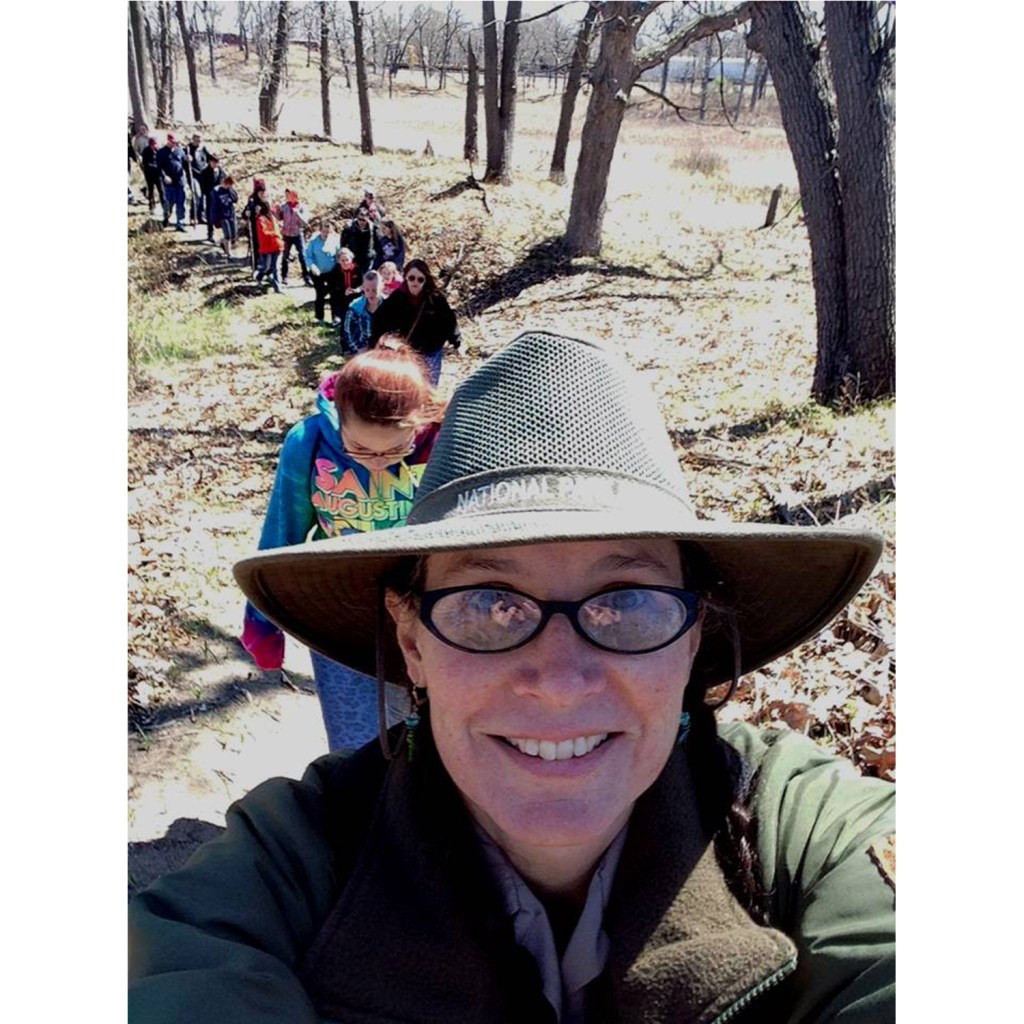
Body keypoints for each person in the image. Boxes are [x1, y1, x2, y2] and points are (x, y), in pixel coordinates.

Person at [129, 332, 894, 1023]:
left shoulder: (799, 832)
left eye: (626, 602)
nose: (558, 682)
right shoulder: (293, 859)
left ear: (693, 636)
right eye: (489, 603)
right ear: (411, 640)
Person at [238, 345, 444, 752]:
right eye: (361, 450)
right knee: (357, 741)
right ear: (339, 421)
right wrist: (263, 622)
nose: (377, 464)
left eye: (395, 451)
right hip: (339, 610)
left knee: (434, 733)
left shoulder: (443, 439)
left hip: (425, 605)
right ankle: (366, 810)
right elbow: (283, 530)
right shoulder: (308, 442)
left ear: (418, 424)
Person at [371, 257, 461, 385]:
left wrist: (456, 341)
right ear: (405, 277)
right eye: (411, 278)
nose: (415, 282)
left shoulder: (435, 298)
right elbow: (380, 321)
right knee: (409, 389)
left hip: (431, 352)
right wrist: (376, 342)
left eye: (420, 279)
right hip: (406, 352)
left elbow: (449, 321)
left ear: (426, 280)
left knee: (429, 390)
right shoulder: (396, 298)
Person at [305, 220, 343, 325]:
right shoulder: (313, 242)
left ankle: (335, 317)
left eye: (328, 232)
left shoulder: (335, 240)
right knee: (320, 294)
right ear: (320, 231)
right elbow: (308, 256)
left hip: (332, 272)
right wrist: (312, 266)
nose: (326, 234)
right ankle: (319, 317)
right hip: (317, 272)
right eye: (324, 232)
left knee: (334, 295)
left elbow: (338, 255)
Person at [277, 189, 313, 287]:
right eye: (286, 195)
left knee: (302, 256)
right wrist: (275, 211)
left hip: (298, 234)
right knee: (285, 256)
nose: (287, 197)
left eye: (289, 195)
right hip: (286, 234)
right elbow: (278, 218)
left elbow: (305, 223)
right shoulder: (284, 207)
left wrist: (297, 213)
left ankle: (307, 277)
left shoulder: (302, 207)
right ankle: (284, 277)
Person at [343, 270, 383, 355]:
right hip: (362, 349)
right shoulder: (355, 307)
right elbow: (348, 331)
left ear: (381, 288)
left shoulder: (388, 304)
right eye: (367, 290)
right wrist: (358, 349)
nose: (371, 294)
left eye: (374, 290)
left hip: (383, 350)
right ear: (363, 288)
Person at [156, 133, 187, 231]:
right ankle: (166, 217)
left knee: (180, 203)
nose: (174, 144)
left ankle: (180, 223)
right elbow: (158, 168)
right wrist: (164, 176)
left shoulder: (180, 151)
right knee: (169, 203)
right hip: (169, 183)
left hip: (180, 181)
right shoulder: (161, 152)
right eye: (172, 142)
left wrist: (189, 160)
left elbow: (185, 164)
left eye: (175, 142)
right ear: (168, 141)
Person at [254, 200, 284, 293]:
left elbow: (278, 229)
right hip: (266, 247)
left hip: (277, 245)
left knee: (276, 267)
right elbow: (264, 233)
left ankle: (277, 287)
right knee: (266, 267)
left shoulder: (273, 218)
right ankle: (259, 277)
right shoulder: (260, 219)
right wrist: (275, 233)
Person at [341, 209, 378, 277]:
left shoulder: (373, 229)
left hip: (368, 260)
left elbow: (377, 243)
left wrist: (374, 254)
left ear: (368, 219)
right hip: (354, 259)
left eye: (364, 220)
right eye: (359, 219)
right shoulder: (350, 229)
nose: (361, 222)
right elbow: (343, 244)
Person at [241, 178, 267, 275]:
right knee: (255, 248)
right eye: (260, 191)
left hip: (265, 229)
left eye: (263, 191)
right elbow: (245, 212)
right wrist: (246, 214)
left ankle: (266, 268)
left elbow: (269, 213)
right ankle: (255, 267)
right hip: (254, 228)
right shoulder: (252, 200)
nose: (261, 193)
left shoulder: (266, 201)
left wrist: (261, 211)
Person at [197, 154, 225, 243]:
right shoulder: (205, 172)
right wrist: (210, 192)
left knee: (221, 216)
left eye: (217, 162)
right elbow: (203, 185)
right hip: (210, 197)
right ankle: (210, 233)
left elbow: (226, 181)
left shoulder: (221, 171)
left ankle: (223, 236)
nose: (215, 164)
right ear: (210, 162)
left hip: (220, 198)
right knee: (210, 215)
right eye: (214, 162)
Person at [213, 175, 239, 260]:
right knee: (227, 235)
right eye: (228, 184)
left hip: (231, 214)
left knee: (234, 235)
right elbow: (214, 206)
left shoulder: (231, 191)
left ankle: (222, 243)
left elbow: (235, 199)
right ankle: (228, 253)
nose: (230, 186)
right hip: (223, 216)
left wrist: (231, 191)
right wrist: (215, 219)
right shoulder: (217, 191)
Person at [187, 133, 211, 223]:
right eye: (197, 140)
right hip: (193, 176)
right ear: (193, 139)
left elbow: (209, 159)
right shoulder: (188, 149)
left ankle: (201, 216)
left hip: (203, 176)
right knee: (197, 195)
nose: (198, 141)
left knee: (203, 197)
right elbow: (181, 161)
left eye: (200, 140)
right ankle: (193, 215)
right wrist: (186, 159)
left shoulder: (203, 149)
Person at [140, 137, 164, 215]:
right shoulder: (146, 151)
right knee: (151, 190)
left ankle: (164, 206)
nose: (154, 146)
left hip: (158, 174)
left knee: (161, 190)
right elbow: (144, 163)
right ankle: (151, 206)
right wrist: (152, 166)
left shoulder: (159, 151)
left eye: (155, 144)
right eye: (153, 144)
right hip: (149, 174)